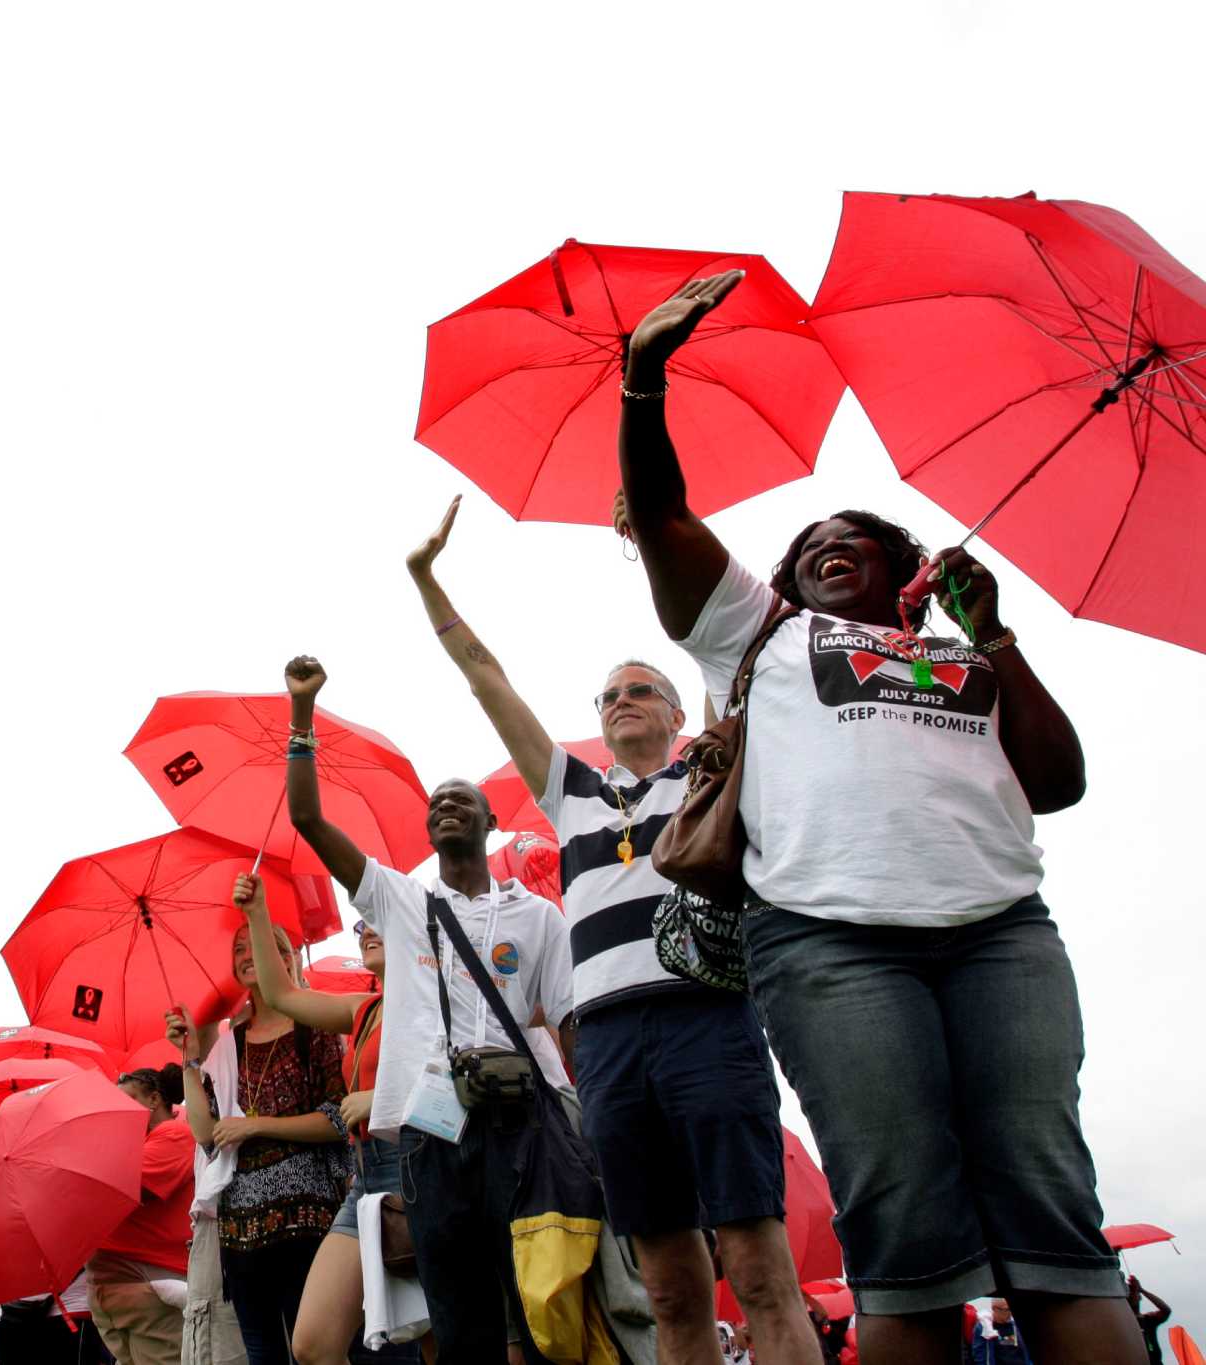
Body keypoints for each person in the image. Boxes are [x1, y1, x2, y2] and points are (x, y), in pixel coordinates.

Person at [617, 269, 1139, 1365]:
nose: (825, 545)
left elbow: (1056, 781)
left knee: (1053, 1220)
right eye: (808, 547)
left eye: (852, 538)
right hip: (828, 941)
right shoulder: (761, 638)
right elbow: (661, 515)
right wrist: (642, 382)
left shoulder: (963, 659)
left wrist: (992, 636)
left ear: (904, 569)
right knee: (900, 1229)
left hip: (1001, 937)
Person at [407, 491, 815, 1365]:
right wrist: (426, 580)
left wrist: (659, 534)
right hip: (611, 1046)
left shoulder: (710, 777)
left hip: (705, 1020)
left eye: (640, 690)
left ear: (676, 711)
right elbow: (488, 678)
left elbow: (729, 650)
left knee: (756, 1265)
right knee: (667, 1282)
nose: (621, 701)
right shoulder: (573, 795)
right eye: (608, 696)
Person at [280, 655, 574, 1361]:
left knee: (532, 1303)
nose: (445, 805)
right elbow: (308, 818)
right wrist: (301, 717)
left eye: (461, 798)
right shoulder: (402, 900)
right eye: (436, 801)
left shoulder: (537, 917)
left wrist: (586, 1118)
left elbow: (567, 1022)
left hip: (519, 1128)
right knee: (454, 1307)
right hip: (427, 1135)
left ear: (491, 820)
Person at [232, 876, 433, 1365]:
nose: (367, 930)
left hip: (427, 1172)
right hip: (365, 1181)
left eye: (381, 921)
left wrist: (383, 1103)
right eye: (362, 923)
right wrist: (257, 913)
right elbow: (280, 995)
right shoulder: (363, 1010)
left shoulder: (439, 999)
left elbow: (458, 1086)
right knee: (313, 1344)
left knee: (437, 1339)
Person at [166, 916, 349, 1365]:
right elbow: (207, 1134)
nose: (250, 957)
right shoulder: (231, 1045)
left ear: (286, 959)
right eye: (240, 950)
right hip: (241, 1233)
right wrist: (190, 1059)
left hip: (308, 1221)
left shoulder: (316, 1026)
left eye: (262, 946)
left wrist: (256, 1125)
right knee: (263, 1355)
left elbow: (337, 1120)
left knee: (316, 1351)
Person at [87, 1065, 194, 1365]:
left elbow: (123, 1188)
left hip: (149, 1278)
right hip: (130, 1283)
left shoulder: (174, 1133)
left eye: (129, 1099)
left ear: (154, 1100)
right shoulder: (142, 1142)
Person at [969, 1301, 1029, 1365]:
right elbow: (981, 1358)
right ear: (994, 1309)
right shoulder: (983, 1328)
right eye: (1007, 1310)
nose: (1010, 1313)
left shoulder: (1014, 1326)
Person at [1129, 1276, 1172, 1365]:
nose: (1132, 1294)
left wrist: (1141, 1290)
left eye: (1133, 1291)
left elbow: (1166, 1310)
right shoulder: (1123, 1322)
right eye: (1129, 1292)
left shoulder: (1148, 1319)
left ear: (1140, 1297)